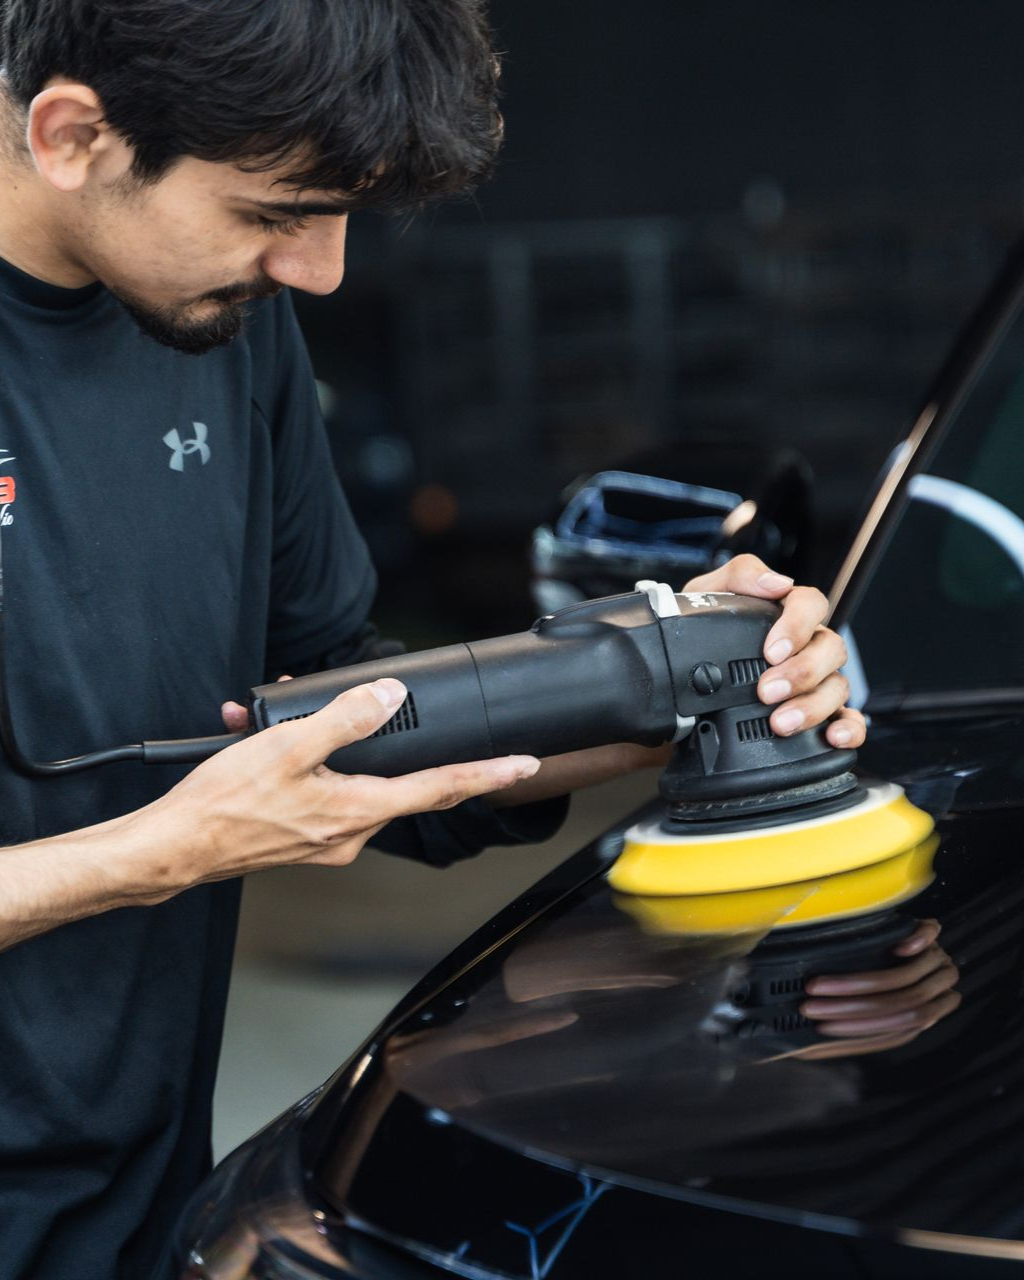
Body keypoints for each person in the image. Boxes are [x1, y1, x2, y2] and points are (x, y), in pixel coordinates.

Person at [0, 0, 866, 1275]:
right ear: (73, 135)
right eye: (277, 211)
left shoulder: (220, 316)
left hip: (136, 1208)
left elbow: (343, 701)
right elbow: (196, 831)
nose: (318, 270)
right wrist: (156, 853)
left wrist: (675, 678)